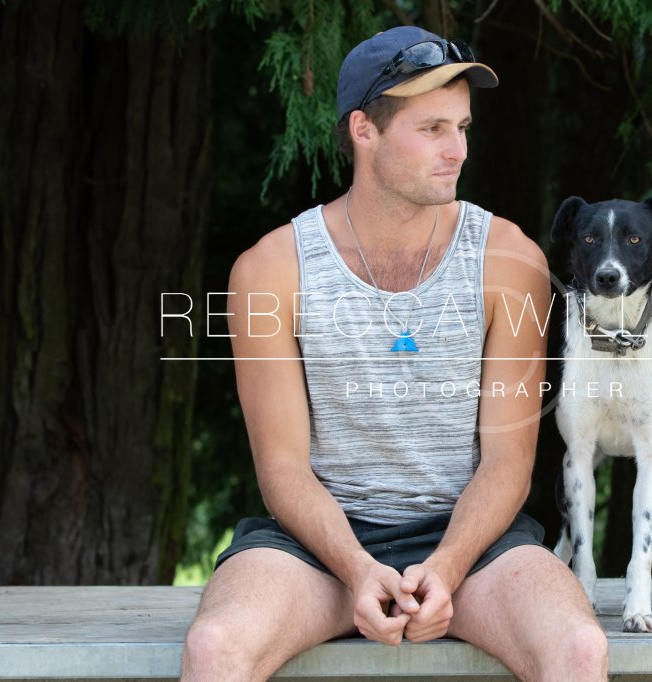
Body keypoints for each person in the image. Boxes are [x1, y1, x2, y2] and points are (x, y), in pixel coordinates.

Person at [181, 25, 608, 682]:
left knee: (579, 649)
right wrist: (356, 568)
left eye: (462, 127)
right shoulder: (271, 270)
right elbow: (282, 467)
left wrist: (447, 566)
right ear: (364, 130)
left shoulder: (509, 260)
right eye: (432, 128)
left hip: (472, 543)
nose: (457, 149)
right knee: (214, 648)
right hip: (314, 548)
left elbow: (507, 463)